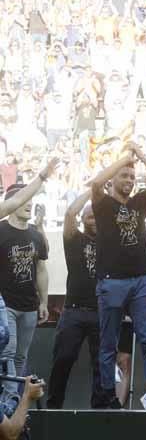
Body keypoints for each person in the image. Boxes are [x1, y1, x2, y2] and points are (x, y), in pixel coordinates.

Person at [89, 142, 146, 409]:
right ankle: (108, 396)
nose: (129, 180)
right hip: (112, 280)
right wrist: (123, 159)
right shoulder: (102, 204)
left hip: (141, 279)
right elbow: (96, 183)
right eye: (124, 176)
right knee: (109, 342)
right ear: (113, 179)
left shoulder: (139, 202)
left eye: (132, 177)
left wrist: (141, 155)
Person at [0, 159, 56, 385]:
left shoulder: (34, 234)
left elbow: (42, 266)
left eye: (31, 200)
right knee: (9, 353)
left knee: (21, 357)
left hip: (29, 305)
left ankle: (14, 402)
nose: (29, 204)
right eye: (24, 200)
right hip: (6, 304)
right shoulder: (1, 230)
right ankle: (11, 402)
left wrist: (43, 301)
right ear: (12, 204)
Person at [47, 191, 103, 409]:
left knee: (102, 365)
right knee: (63, 359)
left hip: (101, 311)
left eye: (97, 216)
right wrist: (93, 189)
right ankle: (54, 408)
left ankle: (99, 411)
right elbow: (70, 213)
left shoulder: (109, 243)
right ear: (83, 219)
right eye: (90, 217)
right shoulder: (74, 239)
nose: (94, 220)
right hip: (74, 311)